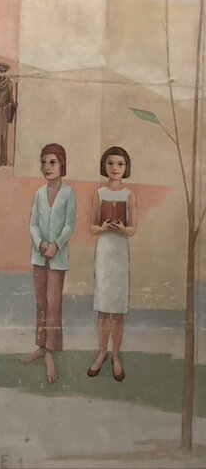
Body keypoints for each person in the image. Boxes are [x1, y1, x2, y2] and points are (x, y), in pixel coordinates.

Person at [20, 143, 76, 384]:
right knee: (41, 303)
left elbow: (69, 226)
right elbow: (32, 224)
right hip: (39, 256)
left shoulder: (69, 193)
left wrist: (56, 245)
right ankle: (41, 347)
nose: (47, 167)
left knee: (53, 305)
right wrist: (42, 244)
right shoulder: (39, 193)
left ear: (62, 164)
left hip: (58, 258)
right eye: (43, 162)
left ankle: (51, 353)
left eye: (52, 162)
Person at [87, 146, 137, 382]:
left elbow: (133, 229)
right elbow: (92, 228)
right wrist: (105, 227)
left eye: (120, 164)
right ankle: (101, 353)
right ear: (104, 166)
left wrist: (122, 228)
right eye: (111, 163)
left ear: (126, 168)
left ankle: (116, 356)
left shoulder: (129, 195)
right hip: (105, 251)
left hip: (120, 253)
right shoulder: (98, 193)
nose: (115, 168)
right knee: (103, 308)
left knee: (117, 310)